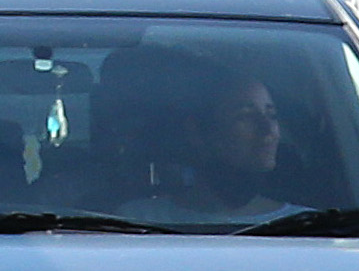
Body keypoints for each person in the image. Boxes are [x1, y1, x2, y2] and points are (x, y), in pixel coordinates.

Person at [126, 66, 295, 222]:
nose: (268, 131)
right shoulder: (138, 221)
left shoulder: (307, 226)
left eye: (272, 115)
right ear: (197, 132)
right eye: (245, 116)